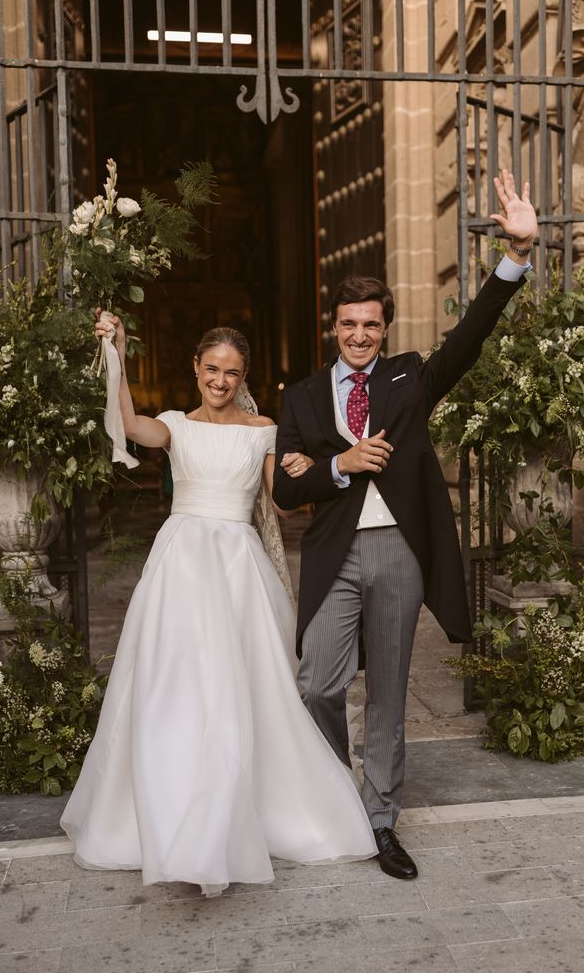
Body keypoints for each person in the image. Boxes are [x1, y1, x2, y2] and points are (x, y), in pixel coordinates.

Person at [273, 169, 538, 881]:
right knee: (317, 685)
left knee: (388, 693)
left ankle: (379, 819)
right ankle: (332, 795)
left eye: (371, 326)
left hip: (398, 553)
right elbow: (280, 485)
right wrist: (342, 464)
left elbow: (470, 339)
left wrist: (513, 257)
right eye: (347, 324)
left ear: (384, 331)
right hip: (333, 554)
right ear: (332, 327)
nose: (359, 336)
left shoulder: (409, 379)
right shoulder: (299, 398)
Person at [61, 322, 376, 896]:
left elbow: (279, 504)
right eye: (212, 369)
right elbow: (130, 426)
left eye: (232, 372)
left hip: (239, 568)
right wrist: (118, 358)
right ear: (196, 370)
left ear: (243, 377)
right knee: (174, 686)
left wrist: (311, 469)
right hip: (181, 566)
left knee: (244, 687)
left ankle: (235, 813)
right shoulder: (176, 427)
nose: (221, 381)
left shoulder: (265, 431)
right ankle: (174, 810)